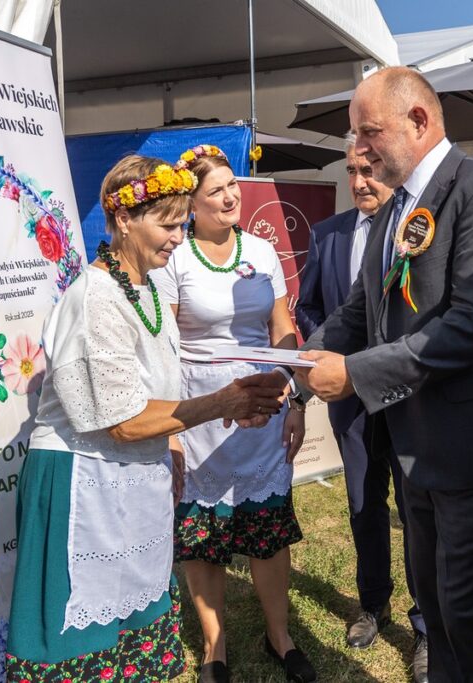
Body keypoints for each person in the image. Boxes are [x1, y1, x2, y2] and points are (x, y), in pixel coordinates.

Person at [295, 66, 473, 682]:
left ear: (419, 120)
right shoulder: (393, 212)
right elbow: (360, 313)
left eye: (368, 132)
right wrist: (293, 369)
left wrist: (355, 375)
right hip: (418, 449)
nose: (357, 150)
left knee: (470, 615)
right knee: (438, 613)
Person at [4, 154, 284, 682]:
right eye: (168, 223)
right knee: (80, 641)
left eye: (182, 223)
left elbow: (158, 384)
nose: (179, 237)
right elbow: (121, 420)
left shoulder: (148, 287)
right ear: (124, 219)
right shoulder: (95, 299)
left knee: (132, 631)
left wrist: (180, 438)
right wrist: (222, 403)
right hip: (82, 484)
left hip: (130, 482)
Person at [150, 144, 314, 683]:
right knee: (204, 535)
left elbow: (282, 328)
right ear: (191, 204)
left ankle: (279, 636)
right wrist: (172, 431)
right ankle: (215, 648)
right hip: (199, 414)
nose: (230, 196)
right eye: (215, 189)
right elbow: (163, 346)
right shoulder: (173, 257)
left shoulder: (262, 251)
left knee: (267, 532)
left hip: (264, 409)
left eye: (233, 185)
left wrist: (292, 394)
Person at [296, 137, 428, 682]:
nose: (359, 181)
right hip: (347, 400)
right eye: (351, 170)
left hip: (406, 397)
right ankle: (373, 602)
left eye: (369, 169)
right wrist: (317, 364)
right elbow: (310, 307)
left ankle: (426, 626)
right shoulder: (327, 235)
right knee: (361, 503)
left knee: (417, 511)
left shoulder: (414, 232)